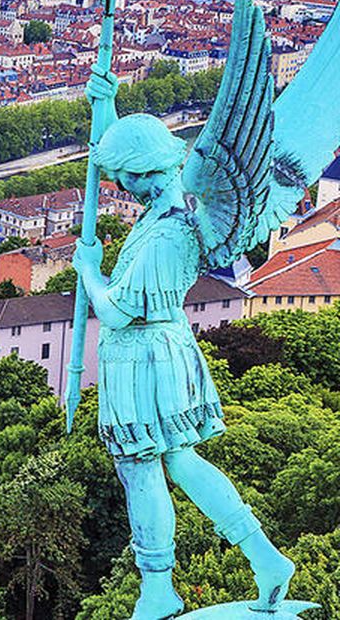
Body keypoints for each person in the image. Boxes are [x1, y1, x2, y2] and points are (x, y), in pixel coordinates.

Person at [73, 69, 294, 619]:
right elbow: (115, 154)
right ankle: (265, 558)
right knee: (179, 461)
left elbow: (116, 308)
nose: (118, 189)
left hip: (144, 354)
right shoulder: (169, 207)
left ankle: (157, 589)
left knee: (142, 469)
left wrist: (89, 270)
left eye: (124, 179)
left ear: (147, 174)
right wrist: (107, 106)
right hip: (157, 352)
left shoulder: (169, 233)